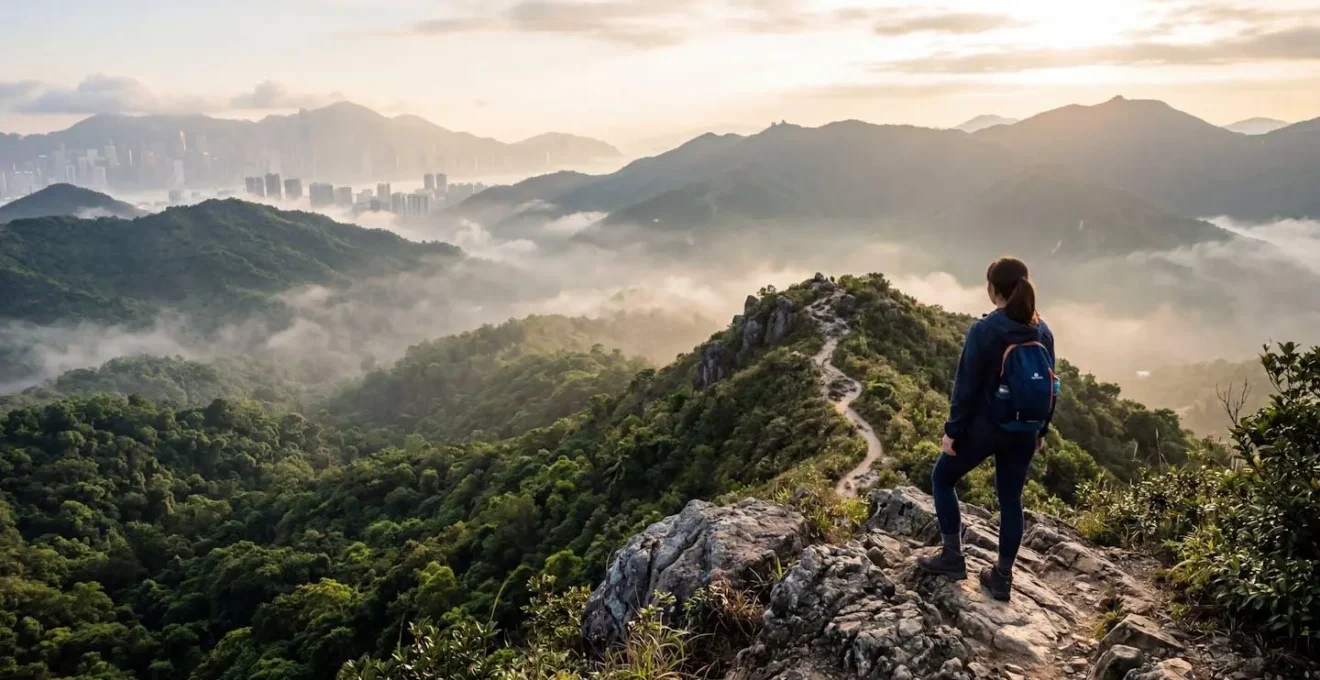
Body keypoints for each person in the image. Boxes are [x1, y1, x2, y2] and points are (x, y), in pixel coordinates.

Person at [916, 256, 1056, 602]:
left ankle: (952, 557)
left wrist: (953, 431)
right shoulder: (1043, 330)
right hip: (1025, 429)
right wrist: (1042, 431)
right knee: (1011, 500)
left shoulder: (985, 330)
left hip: (986, 427)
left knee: (943, 478)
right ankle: (1002, 578)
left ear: (993, 289)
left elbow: (965, 387)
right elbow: (1051, 385)